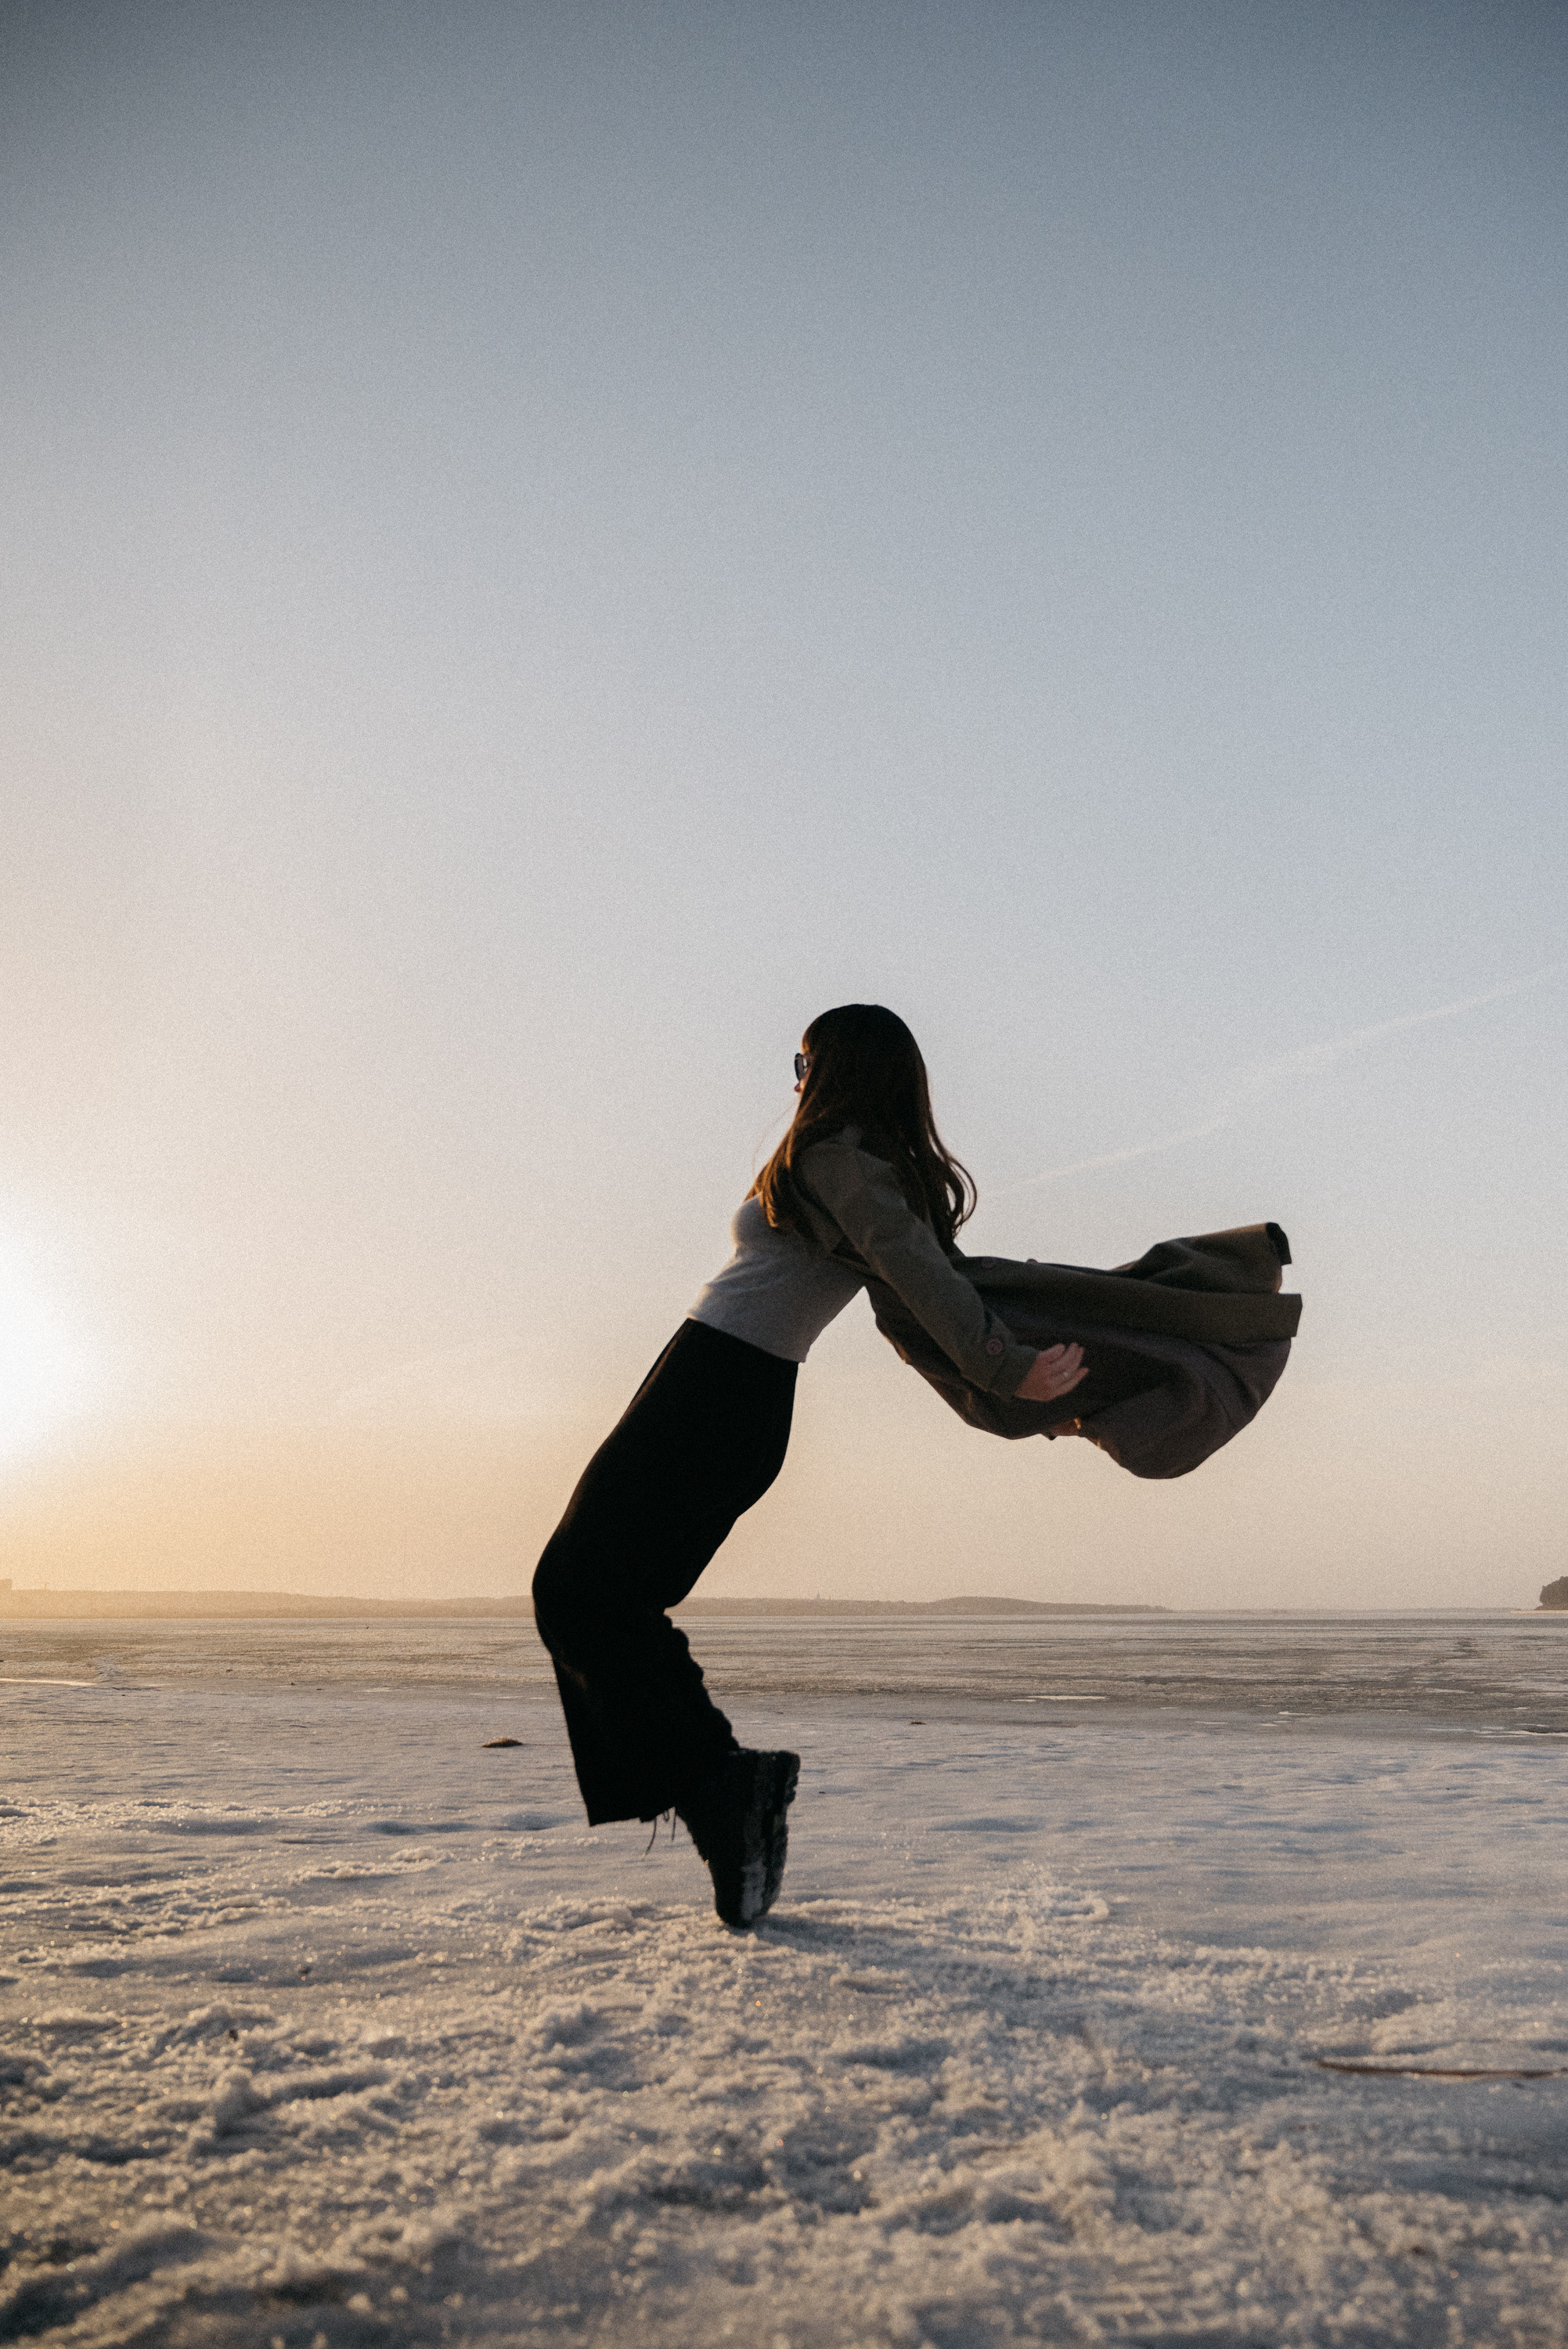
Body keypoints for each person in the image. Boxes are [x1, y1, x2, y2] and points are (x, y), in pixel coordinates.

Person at [531, 1003, 1087, 1930]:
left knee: (581, 1589)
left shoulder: (842, 1160)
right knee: (600, 1593)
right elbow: (919, 1289)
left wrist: (1010, 1374)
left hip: (720, 1388)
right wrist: (1011, 1389)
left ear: (837, 1069)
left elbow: (925, 1281)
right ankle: (726, 1793)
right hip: (711, 1381)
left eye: (800, 1060)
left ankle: (724, 1790)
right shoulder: (845, 1162)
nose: (790, 1078)